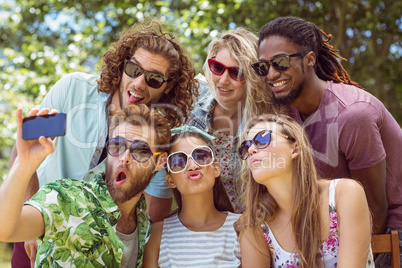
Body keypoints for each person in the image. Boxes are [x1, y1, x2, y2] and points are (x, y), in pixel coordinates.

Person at [9, 21, 198, 267]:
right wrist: (32, 222)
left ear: (168, 86)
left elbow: (152, 213)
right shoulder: (74, 90)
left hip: (99, 247)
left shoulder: (157, 138)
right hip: (37, 220)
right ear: (122, 65)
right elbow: (24, 149)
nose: (140, 83)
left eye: (154, 79)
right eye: (134, 69)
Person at [251, 16, 402, 266]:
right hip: (334, 229)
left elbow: (375, 207)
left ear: (309, 59)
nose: (271, 74)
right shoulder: (285, 115)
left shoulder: (353, 115)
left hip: (390, 230)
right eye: (263, 67)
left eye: (280, 62)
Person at [0, 104, 170, 267]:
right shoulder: (66, 198)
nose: (125, 157)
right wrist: (24, 165)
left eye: (141, 150)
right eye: (117, 145)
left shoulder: (144, 226)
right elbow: (5, 229)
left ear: (159, 162)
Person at [235, 113, 374, 267]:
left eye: (262, 139)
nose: (251, 150)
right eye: (246, 146)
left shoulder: (344, 194)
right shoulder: (255, 225)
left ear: (295, 149)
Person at [186, 27, 276, 213]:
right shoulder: (191, 101)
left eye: (237, 73)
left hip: (250, 224)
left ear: (252, 78)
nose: (223, 80)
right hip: (201, 223)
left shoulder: (268, 121)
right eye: (217, 68)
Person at [143, 128, 241, 267]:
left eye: (201, 156)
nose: (193, 166)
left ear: (216, 169)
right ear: (170, 180)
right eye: (178, 161)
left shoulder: (242, 227)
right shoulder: (157, 234)